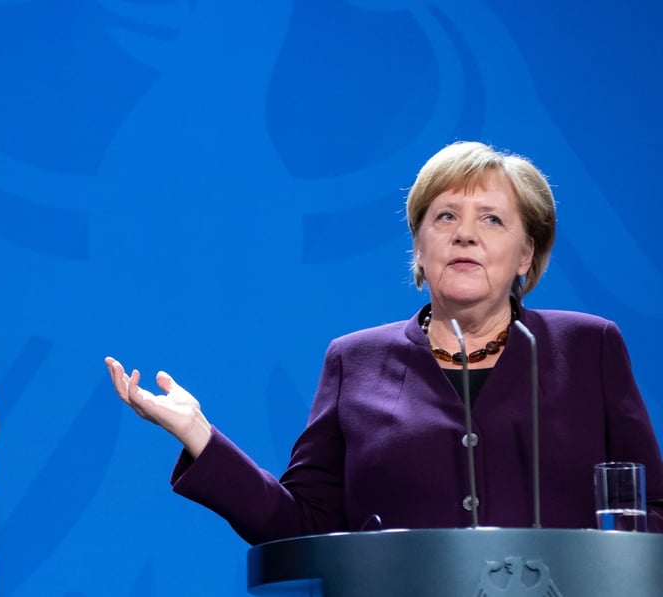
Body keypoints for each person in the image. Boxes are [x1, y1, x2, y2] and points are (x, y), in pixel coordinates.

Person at [105, 141, 663, 544]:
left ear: (526, 256)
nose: (465, 233)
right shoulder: (355, 360)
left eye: (492, 219)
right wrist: (200, 436)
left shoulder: (587, 348)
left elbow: (651, 512)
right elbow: (303, 524)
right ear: (419, 249)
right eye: (445, 216)